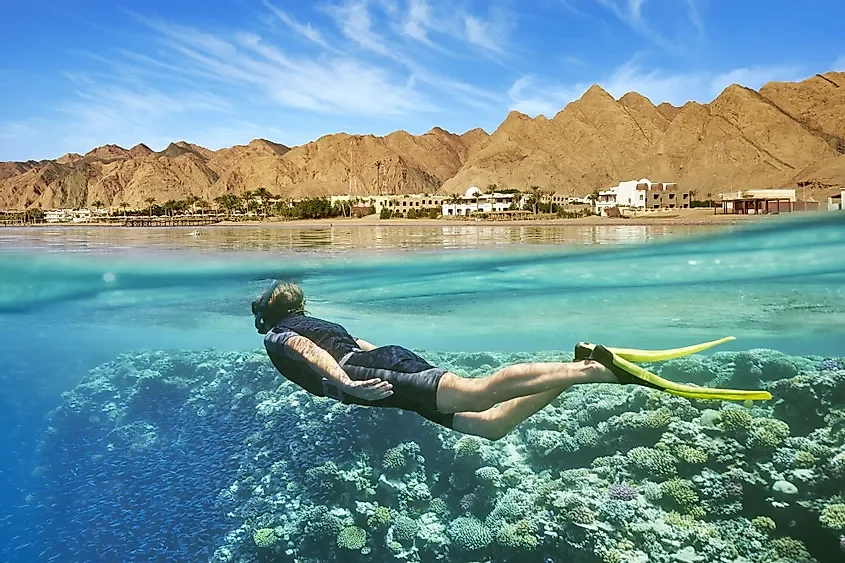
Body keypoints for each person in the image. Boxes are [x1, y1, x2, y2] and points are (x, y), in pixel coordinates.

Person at [253, 281, 771, 441]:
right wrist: (361, 371)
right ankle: (580, 367)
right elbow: (354, 340)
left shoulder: (280, 336)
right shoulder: (309, 320)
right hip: (383, 368)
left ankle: (599, 370)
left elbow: (311, 353)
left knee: (480, 392)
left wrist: (345, 382)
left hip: (373, 377)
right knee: (491, 425)